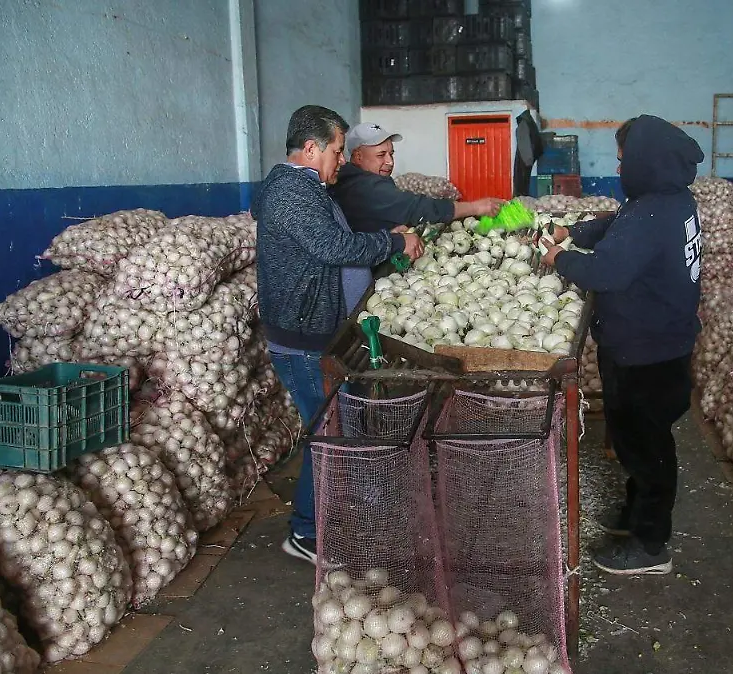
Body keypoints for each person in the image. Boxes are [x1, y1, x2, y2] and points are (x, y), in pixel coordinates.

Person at [251, 105, 425, 564]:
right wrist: (393, 242)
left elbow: (332, 243)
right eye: (338, 150)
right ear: (311, 149)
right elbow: (333, 247)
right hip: (303, 342)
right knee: (330, 435)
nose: (342, 159)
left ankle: (350, 516)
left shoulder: (308, 189)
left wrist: (384, 240)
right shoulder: (292, 192)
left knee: (339, 428)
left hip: (320, 337)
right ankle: (306, 532)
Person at [539, 115, 704, 576]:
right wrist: (575, 232)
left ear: (645, 161)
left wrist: (560, 257)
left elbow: (605, 272)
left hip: (646, 354)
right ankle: (636, 516)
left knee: (648, 451)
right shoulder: (670, 201)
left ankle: (651, 546)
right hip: (662, 344)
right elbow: (619, 226)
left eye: (623, 158)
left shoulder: (652, 213)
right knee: (640, 444)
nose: (617, 166)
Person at [329, 122, 505, 233]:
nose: (390, 162)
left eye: (391, 154)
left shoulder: (356, 179)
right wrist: (475, 207)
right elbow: (416, 207)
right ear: (358, 156)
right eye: (381, 155)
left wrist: (388, 234)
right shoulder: (364, 187)